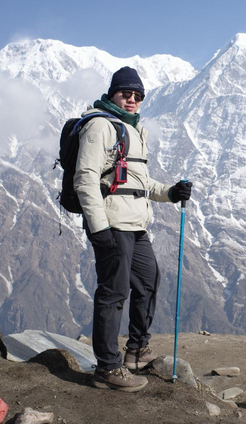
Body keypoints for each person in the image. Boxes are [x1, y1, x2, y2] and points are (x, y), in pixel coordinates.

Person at [74, 66, 192, 392]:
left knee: (149, 281)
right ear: (113, 93)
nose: (132, 99)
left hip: (137, 225)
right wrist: (99, 230)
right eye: (126, 93)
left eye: (138, 95)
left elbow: (141, 183)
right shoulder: (100, 126)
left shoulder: (134, 131)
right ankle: (107, 368)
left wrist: (171, 192)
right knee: (113, 293)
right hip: (111, 224)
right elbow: (84, 178)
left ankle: (136, 350)